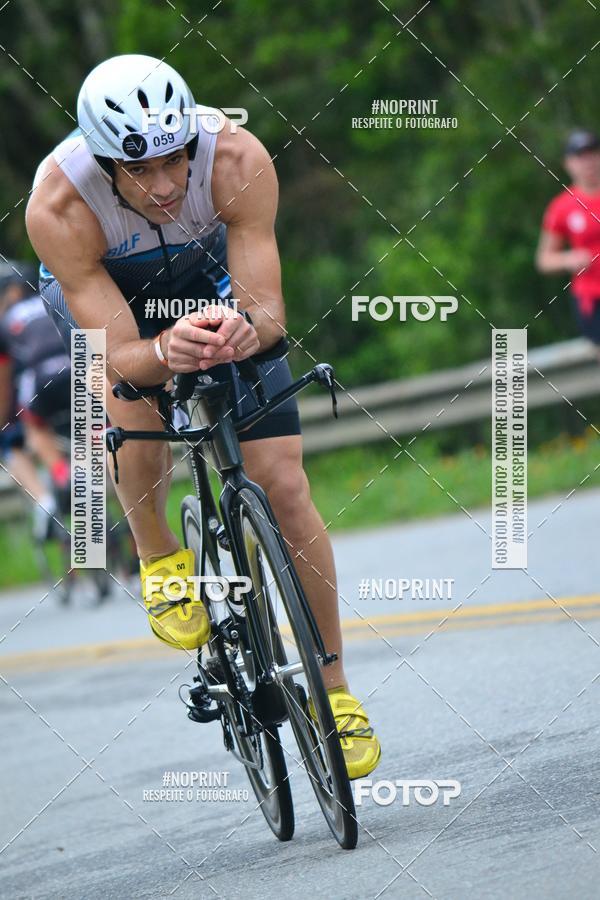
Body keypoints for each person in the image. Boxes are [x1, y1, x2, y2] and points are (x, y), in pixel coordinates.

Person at [25, 54, 381, 779]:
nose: (161, 185)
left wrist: (250, 329)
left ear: (190, 141)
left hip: (206, 273)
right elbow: (122, 354)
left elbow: (270, 308)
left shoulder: (236, 158)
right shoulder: (58, 207)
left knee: (282, 486)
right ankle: (160, 556)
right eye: (137, 171)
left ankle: (336, 694)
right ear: (101, 161)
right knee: (124, 391)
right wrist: (162, 347)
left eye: (172, 160)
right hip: (111, 302)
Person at [0, 259, 71, 537]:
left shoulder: (7, 320)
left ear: (12, 293)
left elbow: (4, 384)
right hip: (79, 369)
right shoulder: (52, 299)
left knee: (31, 429)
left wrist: (4, 420)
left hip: (41, 381)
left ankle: (57, 482)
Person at [536, 129, 600, 349]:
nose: (588, 162)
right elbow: (544, 260)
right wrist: (568, 259)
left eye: (592, 153)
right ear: (569, 164)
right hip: (592, 297)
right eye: (580, 156)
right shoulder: (562, 207)